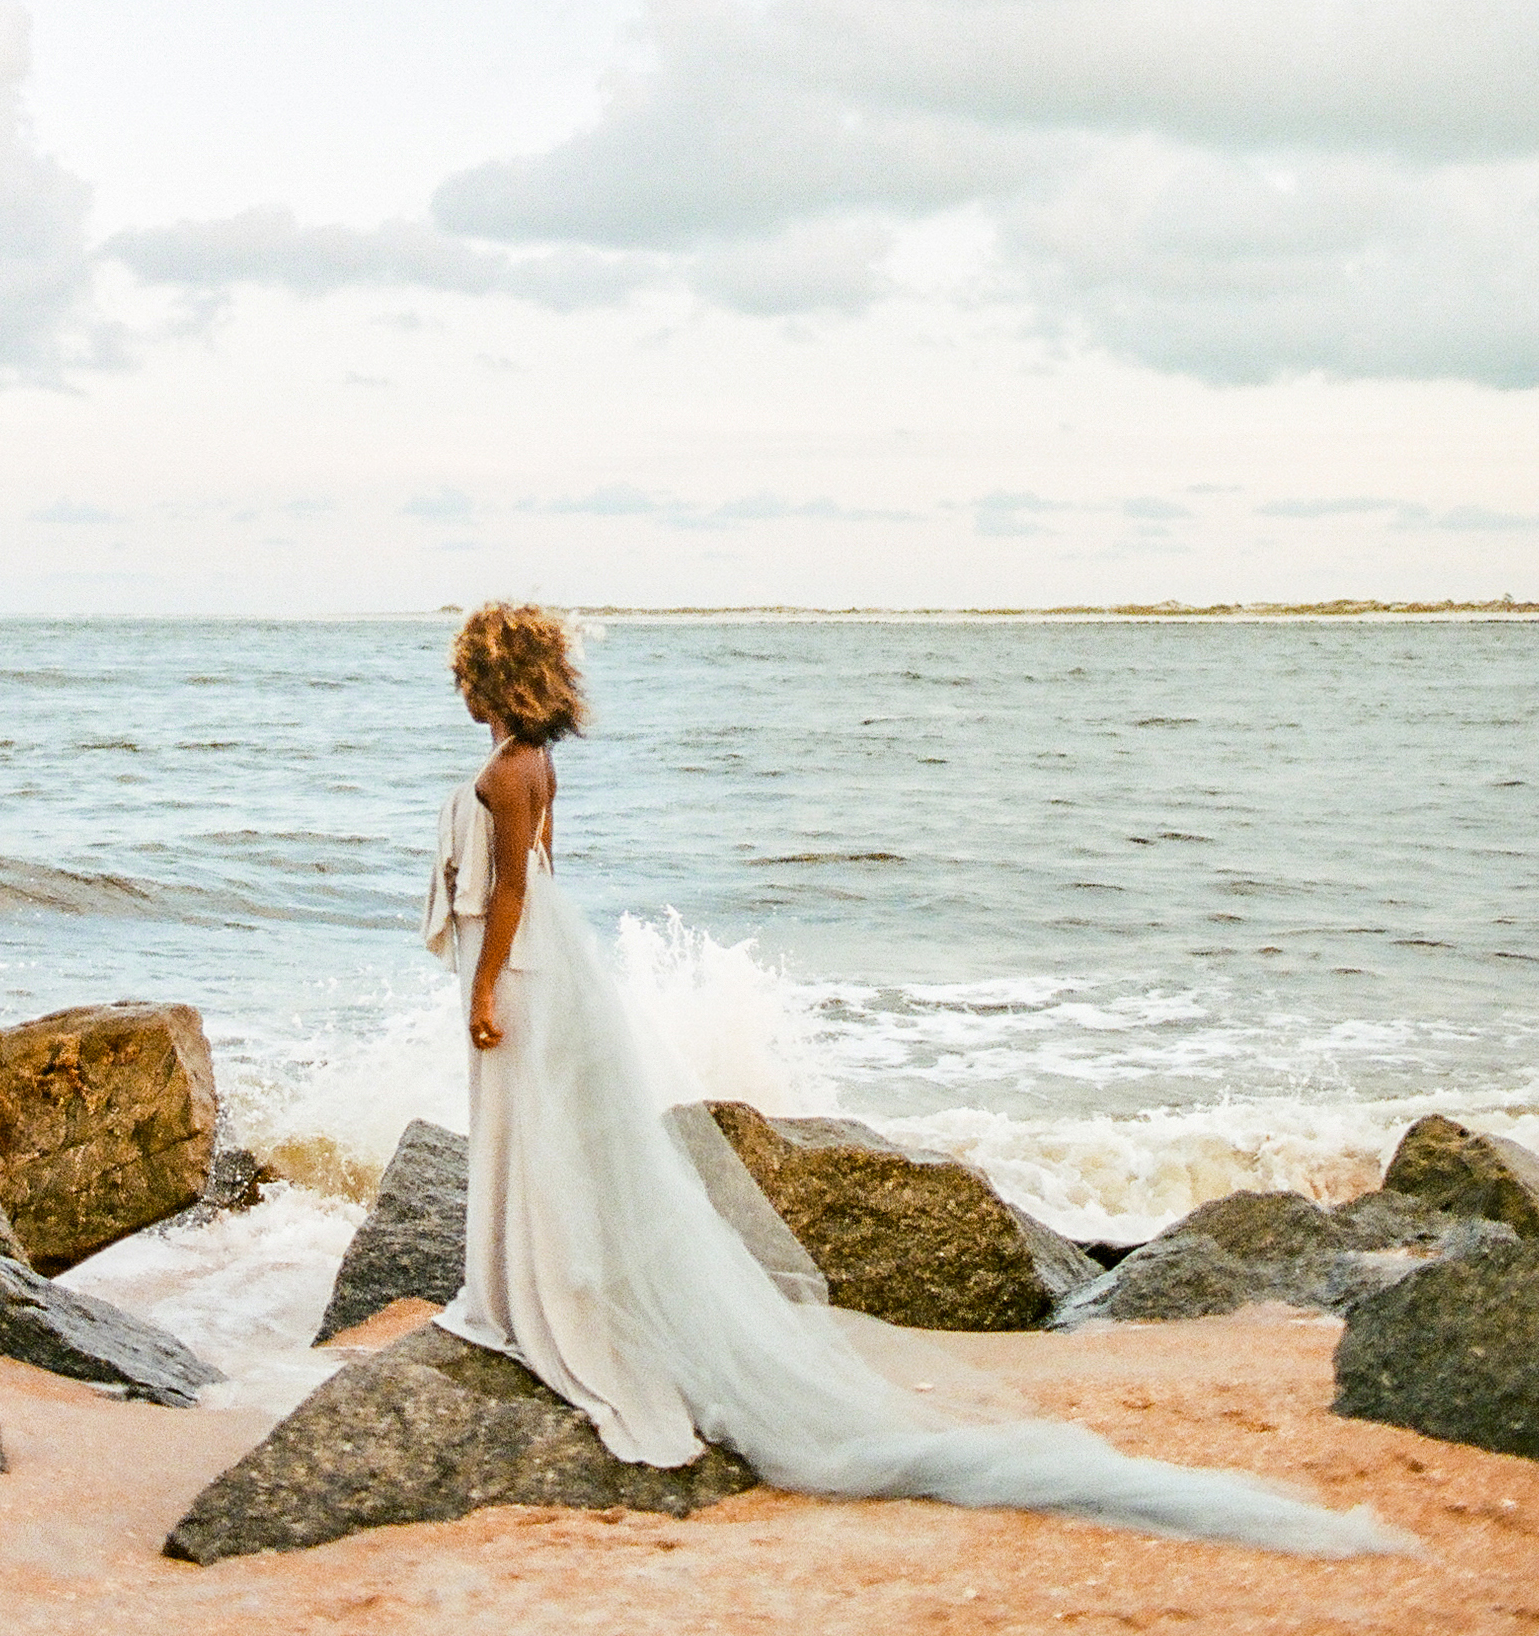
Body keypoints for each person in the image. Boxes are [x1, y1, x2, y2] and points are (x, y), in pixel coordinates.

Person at [422, 600, 1406, 1559]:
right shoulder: (534, 762)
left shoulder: (511, 769)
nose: (460, 690)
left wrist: (488, 988)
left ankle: (527, 1294)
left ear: (491, 679)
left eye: (466, 674)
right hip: (549, 963)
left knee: (529, 1129)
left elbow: (512, 888)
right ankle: (526, 1284)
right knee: (538, 1130)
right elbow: (545, 871)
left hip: (528, 969)